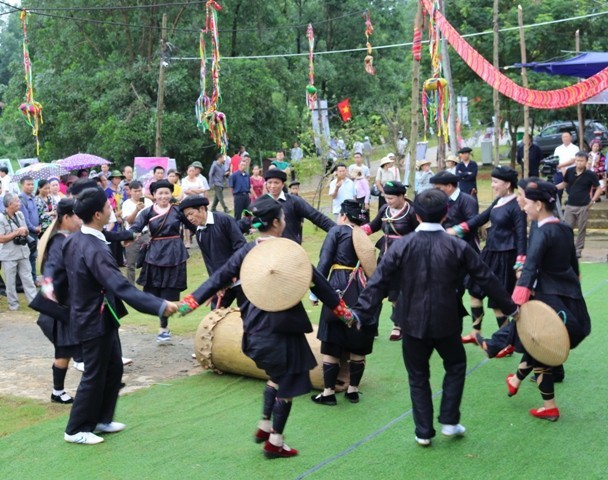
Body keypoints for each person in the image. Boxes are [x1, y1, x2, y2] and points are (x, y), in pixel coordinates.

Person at [175, 195, 353, 458]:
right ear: (276, 223)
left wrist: (189, 303)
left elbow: (219, 278)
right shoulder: (289, 251)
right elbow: (320, 285)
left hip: (254, 331)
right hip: (282, 332)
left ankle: (265, 425)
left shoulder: (247, 251)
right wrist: (345, 314)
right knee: (289, 383)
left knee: (276, 377)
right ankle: (275, 442)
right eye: (282, 218)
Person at [352, 189, 518, 447]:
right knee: (455, 366)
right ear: (446, 214)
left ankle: (423, 431)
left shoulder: (403, 245)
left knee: (418, 376)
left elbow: (378, 282)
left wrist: (360, 313)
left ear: (416, 215)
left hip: (410, 321)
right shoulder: (457, 245)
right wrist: (512, 308)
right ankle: (450, 421)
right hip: (447, 320)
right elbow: (486, 277)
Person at [47, 187, 177, 445]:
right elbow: (121, 286)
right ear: (97, 214)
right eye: (108, 206)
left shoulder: (85, 237)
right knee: (95, 374)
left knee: (113, 367)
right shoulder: (89, 245)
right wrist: (159, 305)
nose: (112, 209)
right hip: (91, 318)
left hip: (103, 315)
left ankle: (101, 419)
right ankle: (75, 429)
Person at [507, 180, 591, 421]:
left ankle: (548, 405)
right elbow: (573, 265)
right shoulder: (563, 228)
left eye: (528, 203)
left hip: (547, 299)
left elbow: (531, 267)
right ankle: (524, 386)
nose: (524, 207)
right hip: (571, 297)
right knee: (542, 347)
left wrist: (517, 301)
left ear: (539, 204)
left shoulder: (542, 232)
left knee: (541, 347)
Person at [448, 166, 526, 343]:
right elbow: (480, 218)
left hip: (506, 256)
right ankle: (476, 332)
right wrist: (457, 230)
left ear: (507, 184)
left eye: (495, 182)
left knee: (498, 299)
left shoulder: (516, 206)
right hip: (490, 252)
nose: (492, 185)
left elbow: (521, 235)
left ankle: (505, 340)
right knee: (475, 290)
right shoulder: (499, 200)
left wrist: (520, 262)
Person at [311, 200, 376, 406]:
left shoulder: (337, 231)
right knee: (359, 338)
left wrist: (316, 291)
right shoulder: (363, 236)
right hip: (362, 288)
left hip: (339, 285)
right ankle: (353, 390)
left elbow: (325, 260)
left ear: (344, 216)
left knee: (332, 340)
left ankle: (328, 392)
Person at [128, 180, 189, 343]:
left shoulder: (178, 211)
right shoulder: (147, 212)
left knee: (169, 290)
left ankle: (164, 327)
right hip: (154, 253)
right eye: (160, 193)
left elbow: (193, 224)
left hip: (175, 252)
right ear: (154, 195)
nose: (163, 196)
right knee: (155, 290)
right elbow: (135, 228)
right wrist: (128, 237)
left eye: (166, 193)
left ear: (171, 194)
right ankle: (163, 322)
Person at [36, 199, 82, 404]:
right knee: (69, 349)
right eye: (77, 216)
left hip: (66, 305)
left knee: (66, 350)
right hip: (58, 308)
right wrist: (48, 288)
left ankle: (58, 391)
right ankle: (59, 391)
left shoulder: (69, 238)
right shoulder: (58, 241)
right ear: (66, 218)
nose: (80, 220)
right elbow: (51, 267)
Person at [361, 181, 418, 341]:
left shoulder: (411, 212)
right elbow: (373, 226)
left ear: (402, 196)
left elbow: (419, 235)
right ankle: (370, 326)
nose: (388, 201)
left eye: (391, 198)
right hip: (385, 256)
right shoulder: (384, 210)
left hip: (404, 259)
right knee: (375, 289)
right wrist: (356, 231)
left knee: (396, 293)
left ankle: (398, 325)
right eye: (386, 198)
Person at [179, 195, 247, 308]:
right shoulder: (199, 232)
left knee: (248, 317)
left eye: (191, 213)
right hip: (221, 282)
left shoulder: (224, 220)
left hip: (240, 279)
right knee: (214, 318)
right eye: (187, 216)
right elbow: (209, 261)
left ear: (201, 209)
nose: (189, 218)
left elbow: (240, 247)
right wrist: (216, 283)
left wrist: (234, 273)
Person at [264, 169, 334, 244]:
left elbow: (316, 216)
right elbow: (256, 222)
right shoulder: (263, 203)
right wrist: (258, 225)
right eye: (270, 183)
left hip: (292, 247)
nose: (272, 186)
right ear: (266, 184)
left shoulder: (294, 201)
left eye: (276, 183)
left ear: (283, 184)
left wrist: (339, 231)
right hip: (270, 248)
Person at [557, 151, 602, 258]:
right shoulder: (569, 171)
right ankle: (568, 249)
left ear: (586, 162)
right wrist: (553, 187)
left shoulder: (590, 174)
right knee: (567, 229)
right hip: (570, 205)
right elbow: (565, 183)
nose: (579, 163)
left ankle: (578, 250)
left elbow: (599, 188)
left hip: (583, 205)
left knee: (582, 229)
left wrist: (593, 201)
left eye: (581, 161)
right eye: (577, 160)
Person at [0, 193, 37, 310]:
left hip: (23, 252)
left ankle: (34, 303)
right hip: (9, 254)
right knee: (10, 282)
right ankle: (13, 305)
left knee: (28, 279)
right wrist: (16, 232)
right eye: (17, 201)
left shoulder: (20, 214)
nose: (19, 203)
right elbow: (1, 238)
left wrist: (24, 231)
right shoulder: (1, 218)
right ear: (10, 204)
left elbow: (25, 230)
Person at [430, 171, 478, 251]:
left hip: (464, 247)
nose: (435, 191)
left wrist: (455, 231)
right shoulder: (439, 201)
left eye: (438, 188)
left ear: (449, 186)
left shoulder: (467, 200)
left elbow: (473, 223)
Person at [121, 180, 153, 284]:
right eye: (135, 191)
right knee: (131, 263)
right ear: (130, 191)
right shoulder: (126, 204)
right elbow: (129, 221)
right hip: (132, 235)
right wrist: (136, 210)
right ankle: (131, 286)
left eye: (140, 190)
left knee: (150, 260)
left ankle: (149, 282)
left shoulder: (148, 202)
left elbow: (153, 218)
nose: (138, 193)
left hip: (146, 233)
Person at [18, 175, 40, 283]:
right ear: (22, 185)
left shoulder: (33, 197)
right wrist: (34, 228)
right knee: (30, 256)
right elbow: (25, 219)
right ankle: (32, 280)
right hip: (29, 232)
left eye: (32, 184)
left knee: (33, 256)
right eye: (28, 184)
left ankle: (33, 279)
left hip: (35, 231)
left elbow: (36, 214)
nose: (31, 187)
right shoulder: (21, 200)